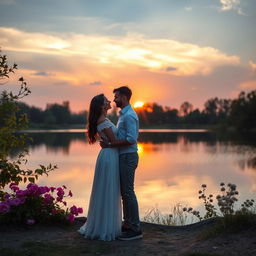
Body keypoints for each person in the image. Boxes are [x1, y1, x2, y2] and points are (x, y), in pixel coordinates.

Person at [101, 86, 143, 241]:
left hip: (128, 157)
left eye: (117, 96)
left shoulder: (129, 116)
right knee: (125, 192)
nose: (114, 100)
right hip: (124, 156)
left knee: (128, 192)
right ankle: (128, 224)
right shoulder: (123, 115)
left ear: (124, 97)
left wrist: (111, 145)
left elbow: (132, 139)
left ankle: (136, 228)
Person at [78, 94, 122, 241]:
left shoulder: (104, 120)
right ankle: (105, 227)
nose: (110, 101)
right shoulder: (103, 121)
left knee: (106, 189)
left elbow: (111, 141)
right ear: (102, 106)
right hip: (109, 156)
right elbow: (114, 141)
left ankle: (104, 224)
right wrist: (131, 140)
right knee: (108, 189)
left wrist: (110, 144)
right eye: (106, 101)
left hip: (108, 154)